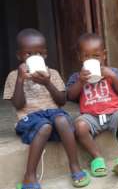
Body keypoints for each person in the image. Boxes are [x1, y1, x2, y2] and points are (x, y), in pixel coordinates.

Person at [3, 28, 90, 189]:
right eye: (28, 54)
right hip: (29, 119)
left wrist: (47, 83)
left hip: (53, 114)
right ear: (19, 56)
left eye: (38, 54)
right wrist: (21, 80)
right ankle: (29, 176)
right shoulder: (14, 76)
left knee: (62, 119)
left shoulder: (53, 74)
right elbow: (18, 105)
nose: (34, 57)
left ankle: (75, 166)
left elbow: (62, 101)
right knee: (44, 126)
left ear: (45, 55)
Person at [67, 33, 118, 176]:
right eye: (86, 56)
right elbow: (70, 96)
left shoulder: (113, 71)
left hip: (114, 112)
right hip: (91, 116)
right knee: (79, 125)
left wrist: (113, 76)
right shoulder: (77, 77)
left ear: (104, 55)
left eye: (96, 56)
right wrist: (80, 81)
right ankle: (97, 157)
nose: (92, 60)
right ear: (80, 57)